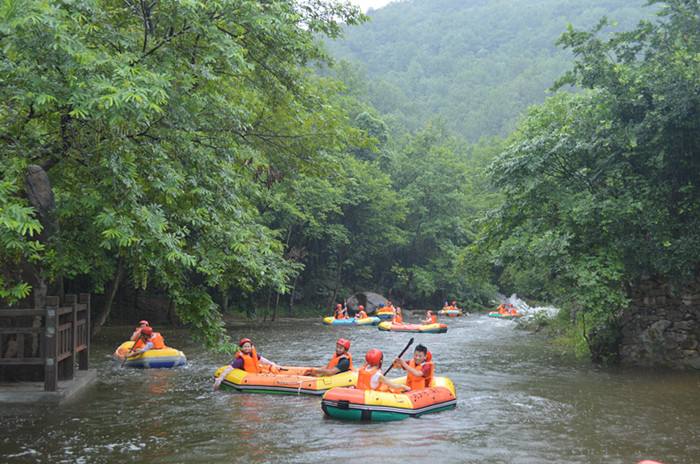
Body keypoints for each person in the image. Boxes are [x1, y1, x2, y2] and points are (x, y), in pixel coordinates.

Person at [214, 338, 282, 390]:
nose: (247, 348)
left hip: (257, 373)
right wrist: (220, 378)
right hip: (248, 378)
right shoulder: (240, 360)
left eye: (248, 346)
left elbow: (262, 360)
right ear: (241, 348)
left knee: (272, 371)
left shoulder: (252, 354)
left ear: (251, 347)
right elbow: (229, 368)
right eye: (245, 347)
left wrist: (273, 364)